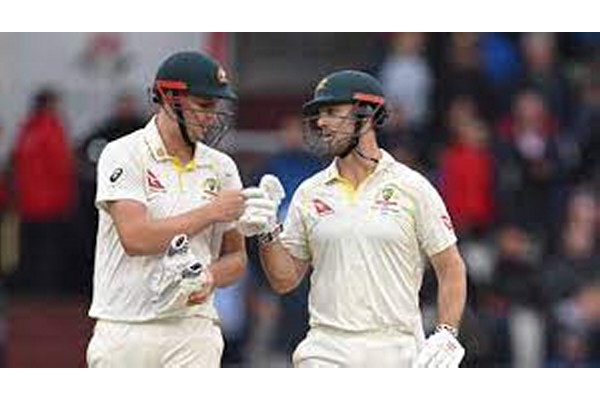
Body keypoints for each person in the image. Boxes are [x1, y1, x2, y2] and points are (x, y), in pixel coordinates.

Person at [238, 70, 468, 367]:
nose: (321, 122)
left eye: (332, 112)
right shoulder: (310, 192)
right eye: (320, 114)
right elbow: (284, 280)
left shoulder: (412, 187)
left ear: (366, 116)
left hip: (396, 348)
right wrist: (269, 231)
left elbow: (451, 267)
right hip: (325, 348)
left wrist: (447, 332)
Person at [86, 51, 247, 368]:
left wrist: (209, 277)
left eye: (215, 106)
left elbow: (237, 257)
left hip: (193, 330)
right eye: (204, 105)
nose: (211, 117)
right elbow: (135, 238)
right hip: (125, 325)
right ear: (170, 98)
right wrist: (211, 212)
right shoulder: (123, 153)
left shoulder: (222, 167)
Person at [12, 88, 77, 294]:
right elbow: (62, 165)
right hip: (51, 201)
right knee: (49, 249)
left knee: (30, 247)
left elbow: (17, 163)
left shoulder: (27, 129)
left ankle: (31, 287)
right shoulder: (52, 128)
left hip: (28, 201)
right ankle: (47, 289)